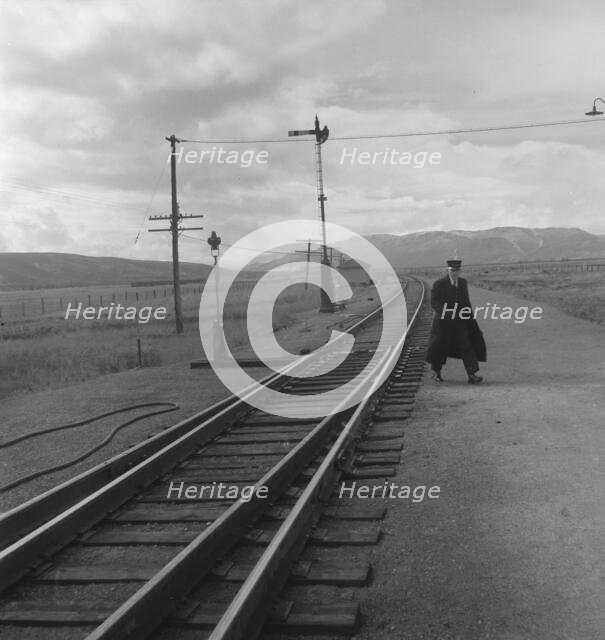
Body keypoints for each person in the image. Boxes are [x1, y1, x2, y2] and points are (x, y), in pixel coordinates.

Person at [425, 259, 486, 384]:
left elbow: (466, 303)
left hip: (459, 321)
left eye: (457, 270)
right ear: (448, 270)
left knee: (466, 346)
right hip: (443, 323)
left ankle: (472, 374)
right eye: (452, 270)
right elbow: (434, 302)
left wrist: (472, 323)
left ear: (460, 271)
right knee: (439, 348)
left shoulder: (463, 283)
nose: (455, 273)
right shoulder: (439, 284)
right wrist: (447, 312)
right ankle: (437, 372)